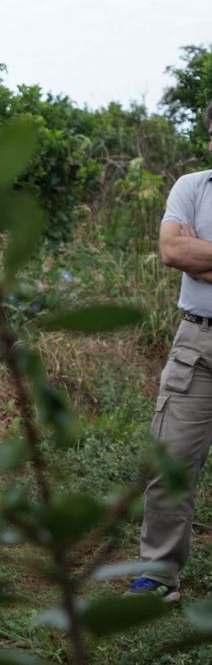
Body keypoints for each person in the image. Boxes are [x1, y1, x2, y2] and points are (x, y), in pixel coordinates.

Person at [130, 102, 212, 603]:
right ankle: (159, 574)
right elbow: (172, 252)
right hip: (197, 343)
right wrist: (190, 254)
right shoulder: (192, 187)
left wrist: (202, 254)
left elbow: (193, 256)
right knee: (172, 459)